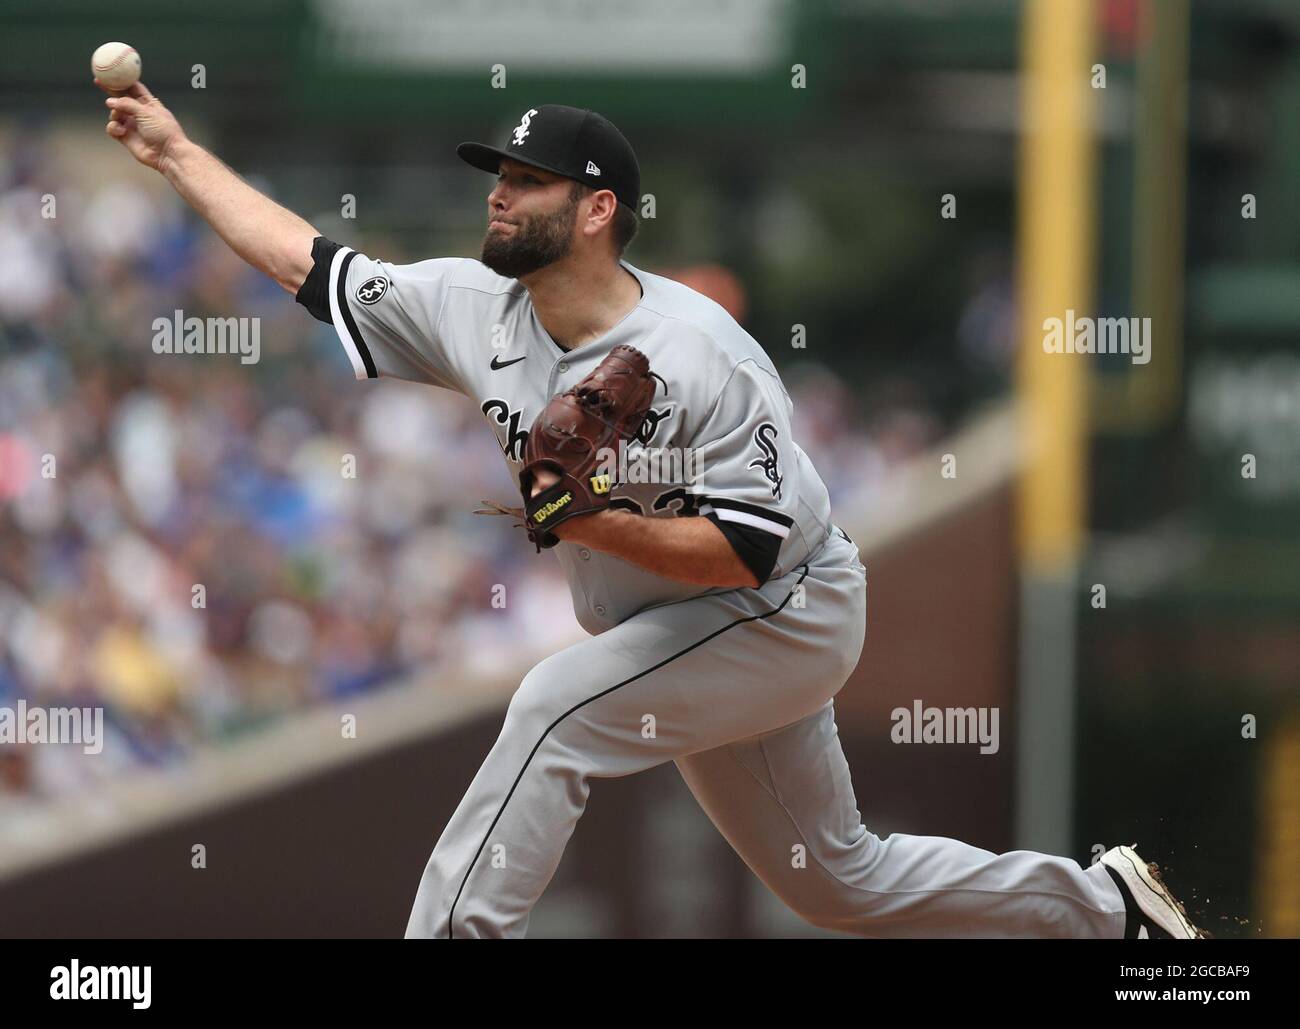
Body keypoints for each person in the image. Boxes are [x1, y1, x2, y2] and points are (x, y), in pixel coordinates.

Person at [99, 83, 1205, 940]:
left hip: (785, 609)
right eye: (497, 172)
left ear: (595, 210)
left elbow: (740, 554)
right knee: (836, 882)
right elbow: (313, 264)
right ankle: (1098, 909)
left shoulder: (704, 357)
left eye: (527, 179)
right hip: (670, 627)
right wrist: (178, 155)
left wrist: (583, 522)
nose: (498, 192)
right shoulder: (474, 305)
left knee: (550, 712)